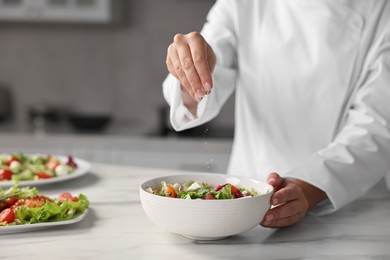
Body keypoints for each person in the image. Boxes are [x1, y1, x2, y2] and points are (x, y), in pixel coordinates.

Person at [162, 0, 390, 228]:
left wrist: (309, 187)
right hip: (244, 207)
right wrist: (189, 68)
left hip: (347, 214)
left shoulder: (383, 12)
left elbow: (376, 127)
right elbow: (201, 83)